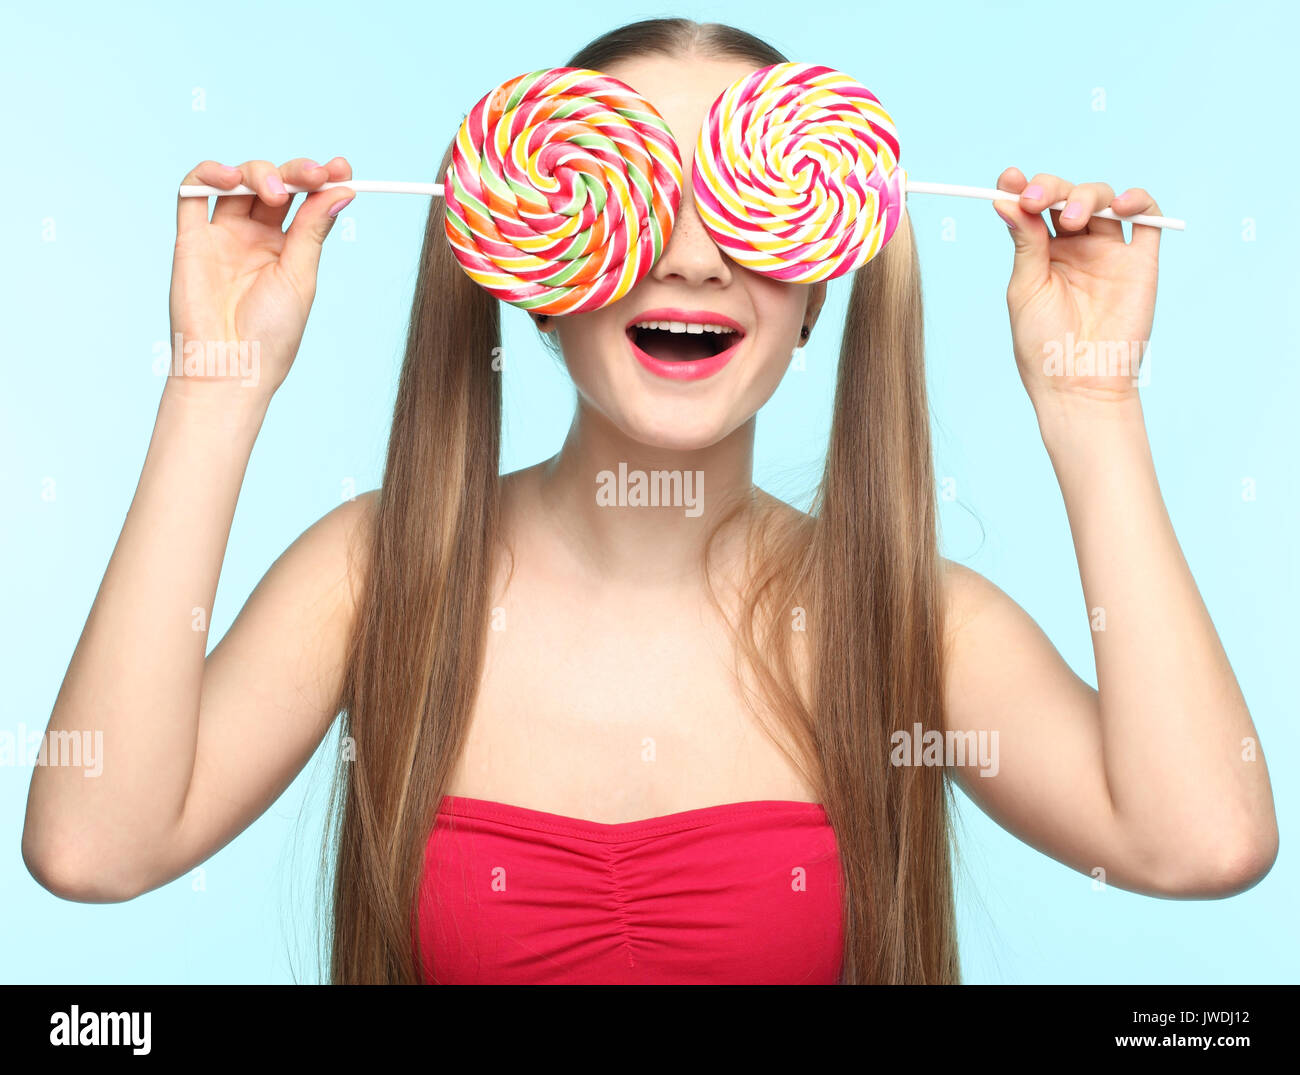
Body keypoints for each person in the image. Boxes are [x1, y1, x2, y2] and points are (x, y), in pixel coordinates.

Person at [22, 18, 1278, 984]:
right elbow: (94, 849)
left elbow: (1199, 843)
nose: (688, 253)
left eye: (755, 207)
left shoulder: (901, 618)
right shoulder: (382, 574)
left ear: (817, 295)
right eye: (626, 199)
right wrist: (214, 381)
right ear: (531, 263)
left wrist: (1093, 405)